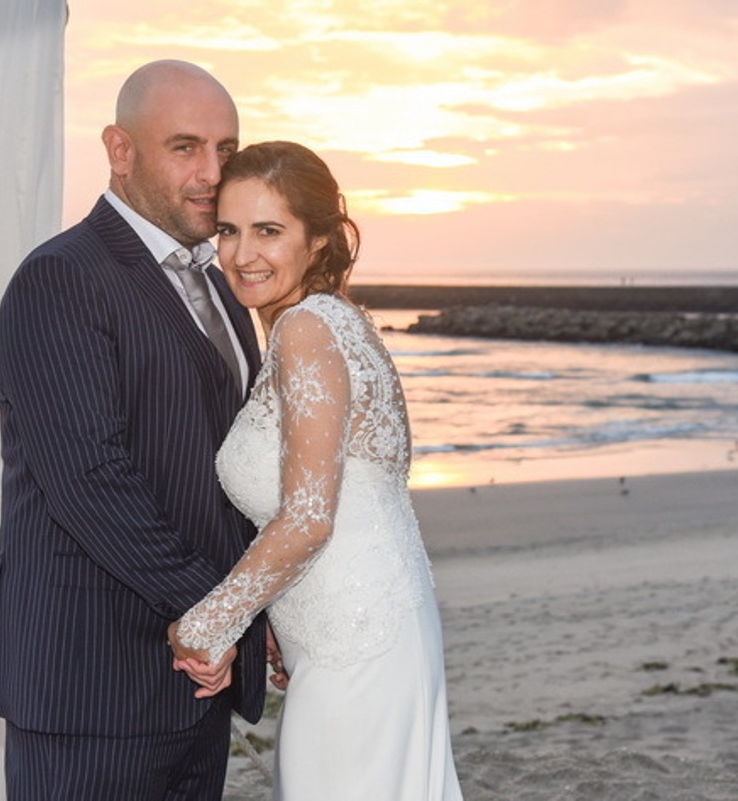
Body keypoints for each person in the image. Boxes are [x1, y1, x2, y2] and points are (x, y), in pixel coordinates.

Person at [0, 60, 267, 800]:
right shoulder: (60, 278)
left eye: (226, 150)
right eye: (185, 147)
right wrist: (222, 614)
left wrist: (252, 614)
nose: (212, 173)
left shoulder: (223, 287)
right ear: (120, 148)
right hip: (90, 684)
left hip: (198, 679)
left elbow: (228, 469)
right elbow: (91, 482)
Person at [168, 141, 465, 800]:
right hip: (366, 629)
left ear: (320, 238)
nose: (242, 254)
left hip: (355, 643)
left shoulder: (305, 329)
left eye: (269, 231)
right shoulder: (337, 323)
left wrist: (204, 627)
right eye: (228, 230)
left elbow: (307, 518)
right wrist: (276, 618)